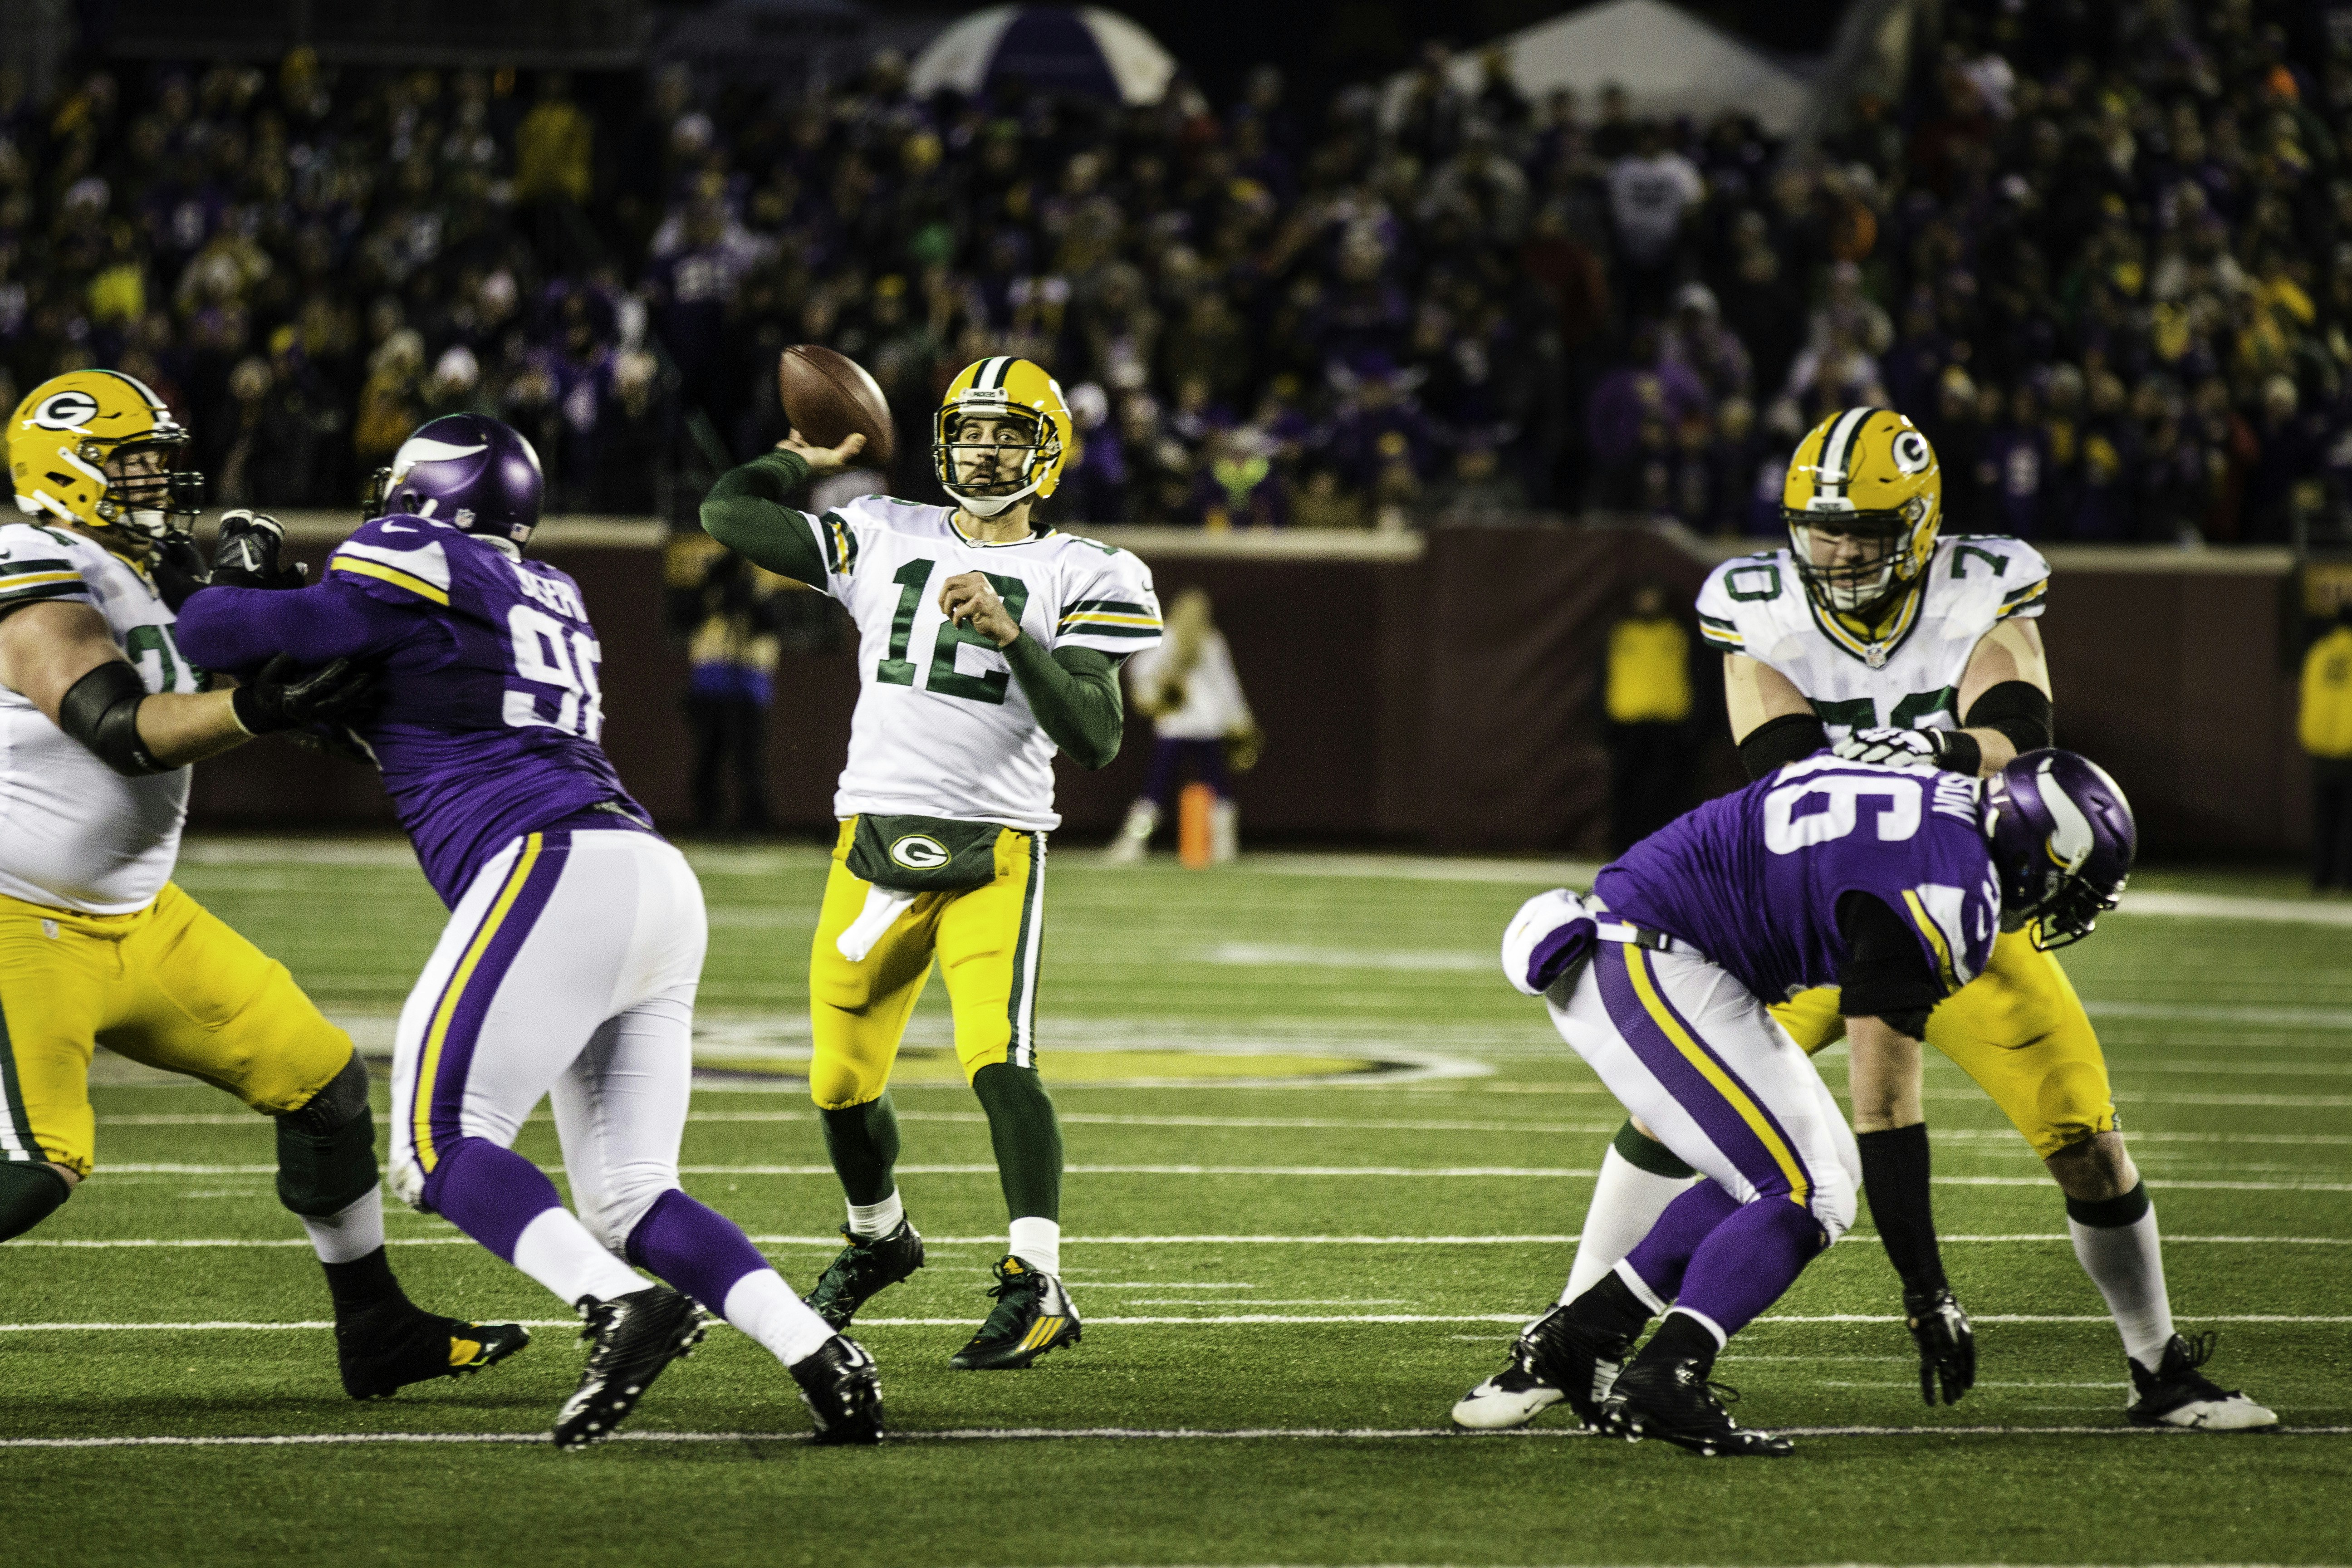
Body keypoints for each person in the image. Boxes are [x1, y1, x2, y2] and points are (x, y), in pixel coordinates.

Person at [1457, 406, 2275, 1433]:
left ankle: (2157, 1368)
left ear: (1921, 526)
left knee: (2085, 1139)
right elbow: (1780, 766)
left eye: (1865, 530)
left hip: (1963, 902)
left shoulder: (1981, 585)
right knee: (1680, 1124)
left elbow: (2015, 736)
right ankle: (1563, 1341)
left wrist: (1930, 758)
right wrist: (1933, 761)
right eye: (1821, 528)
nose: (1839, 551)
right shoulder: (1756, 602)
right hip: (1822, 918)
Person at [173, 414, 883, 1449]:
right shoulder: (548, 586)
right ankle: (819, 1351)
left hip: (551, 864)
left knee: (434, 1141)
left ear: (429, 493)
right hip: (642, 873)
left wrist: (215, 593)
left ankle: (617, 1304)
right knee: (631, 1194)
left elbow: (226, 636)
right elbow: (395, 696)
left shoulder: (415, 551)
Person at [0, 371, 528, 1400]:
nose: (159, 481)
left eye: (159, 461)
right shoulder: (32, 558)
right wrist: (263, 704)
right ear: (64, 471)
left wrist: (294, 664)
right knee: (36, 1165)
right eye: (134, 463)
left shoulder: (147, 569)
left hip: (138, 916)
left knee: (323, 1084)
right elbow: (122, 728)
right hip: (21, 913)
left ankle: (376, 1330)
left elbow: (232, 693)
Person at [701, 356, 1162, 1369]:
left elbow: (1094, 737)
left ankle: (1038, 1278)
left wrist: (1011, 633)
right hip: (870, 840)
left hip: (994, 842)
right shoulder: (880, 528)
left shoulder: (1089, 569)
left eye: (1007, 433)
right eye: (970, 430)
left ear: (1049, 453)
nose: (984, 450)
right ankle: (879, 1237)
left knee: (998, 1057)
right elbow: (726, 514)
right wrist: (798, 457)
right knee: (837, 1083)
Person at [1481, 747, 2136, 1456]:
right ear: (2041, 855)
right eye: (2071, 890)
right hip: (1645, 956)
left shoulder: (1935, 795)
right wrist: (1927, 1292)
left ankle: (1583, 1337)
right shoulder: (1946, 890)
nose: (2060, 910)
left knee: (1818, 1174)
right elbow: (1886, 1113)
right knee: (1810, 1192)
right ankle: (1666, 1375)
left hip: (1660, 942)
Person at [1107, 587, 1258, 863]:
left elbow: (1138, 670)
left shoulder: (1180, 640)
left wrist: (1151, 692)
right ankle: (1224, 847)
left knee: (1156, 789)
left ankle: (1134, 845)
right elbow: (1227, 686)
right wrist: (1240, 719)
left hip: (1177, 726)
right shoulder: (1202, 641)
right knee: (1217, 787)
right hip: (1203, 726)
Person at [1601, 582, 1694, 853]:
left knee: (1668, 790)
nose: (1649, 602)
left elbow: (1697, 678)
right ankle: (1623, 849)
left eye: (1653, 596)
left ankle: (1667, 850)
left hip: (1669, 726)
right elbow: (1603, 678)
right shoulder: (1620, 633)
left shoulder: (1678, 633)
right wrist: (1604, 723)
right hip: (1627, 726)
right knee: (1626, 790)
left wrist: (1694, 725)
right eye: (1644, 597)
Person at [2299, 603, 2352, 891]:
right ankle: (2347, 879)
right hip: (2350, 746)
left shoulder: (2318, 653)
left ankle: (2321, 877)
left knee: (2324, 816)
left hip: (2320, 746)